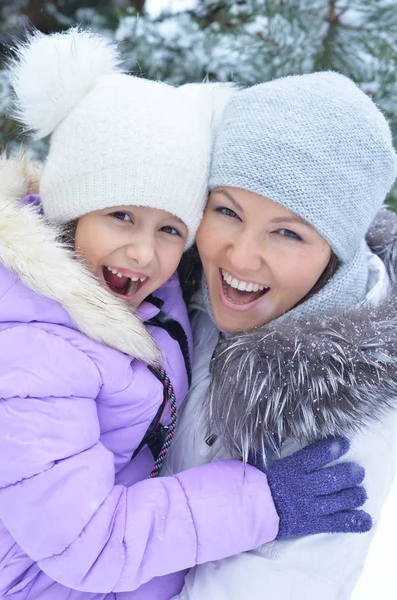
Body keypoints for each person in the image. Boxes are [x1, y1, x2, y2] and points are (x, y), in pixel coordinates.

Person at [0, 31, 370, 600]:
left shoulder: (140, 286)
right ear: (70, 205)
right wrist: (259, 502)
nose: (145, 252)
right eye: (121, 214)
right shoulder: (32, 355)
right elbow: (88, 544)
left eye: (171, 227)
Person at [162, 72, 397, 599]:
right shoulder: (174, 288)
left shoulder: (347, 409)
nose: (240, 257)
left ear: (336, 254)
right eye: (226, 210)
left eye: (288, 232)